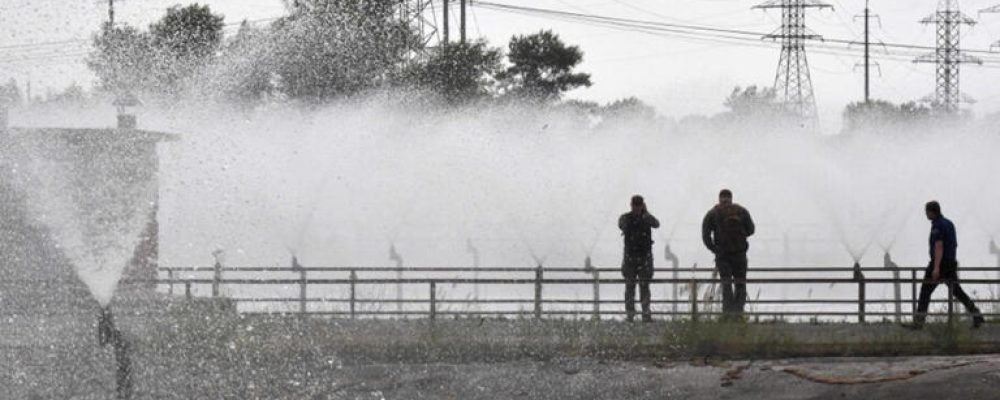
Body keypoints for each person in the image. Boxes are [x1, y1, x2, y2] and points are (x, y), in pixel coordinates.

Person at [904, 201, 985, 330]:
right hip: (950, 262)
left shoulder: (937, 225)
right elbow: (954, 244)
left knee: (925, 290)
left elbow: (938, 246)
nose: (926, 214)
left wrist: (936, 267)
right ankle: (976, 315)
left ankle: (919, 322)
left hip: (940, 263)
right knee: (957, 291)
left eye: (927, 212)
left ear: (932, 212)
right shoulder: (949, 223)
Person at [702, 189, 755, 321]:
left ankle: (727, 315)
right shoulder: (741, 211)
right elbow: (751, 230)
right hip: (740, 255)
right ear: (731, 198)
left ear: (719, 199)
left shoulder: (713, 213)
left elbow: (705, 236)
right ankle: (738, 315)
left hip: (723, 256)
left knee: (726, 285)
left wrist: (715, 249)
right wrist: (741, 237)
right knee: (740, 284)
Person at [619, 195, 660, 322]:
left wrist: (645, 214)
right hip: (631, 258)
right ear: (631, 205)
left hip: (644, 258)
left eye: (639, 205)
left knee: (644, 287)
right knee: (630, 287)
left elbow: (656, 224)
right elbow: (621, 224)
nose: (636, 207)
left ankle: (645, 314)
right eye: (635, 205)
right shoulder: (625, 218)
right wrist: (638, 218)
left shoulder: (646, 218)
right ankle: (630, 314)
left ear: (642, 205)